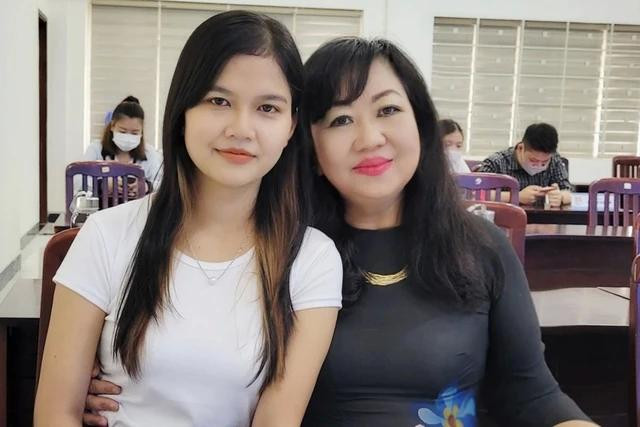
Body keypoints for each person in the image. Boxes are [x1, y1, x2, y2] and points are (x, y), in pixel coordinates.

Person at [82, 38, 596, 427]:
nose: (369, 138)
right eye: (340, 120)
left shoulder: (481, 247)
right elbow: (198, 361)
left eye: (388, 110)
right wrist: (129, 387)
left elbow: (533, 395)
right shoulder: (282, 250)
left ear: (421, 124)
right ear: (308, 145)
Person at [34, 11, 343, 427]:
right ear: (183, 111)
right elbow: (56, 414)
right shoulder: (106, 235)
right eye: (219, 101)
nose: (241, 128)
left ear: (291, 127)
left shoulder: (312, 259)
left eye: (268, 107)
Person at [477, 123, 572, 206]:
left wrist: (560, 197)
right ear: (520, 148)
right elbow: (476, 193)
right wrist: (516, 196)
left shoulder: (554, 160)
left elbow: (568, 191)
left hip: (543, 218)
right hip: (505, 218)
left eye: (544, 162)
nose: (539, 165)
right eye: (533, 160)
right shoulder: (497, 162)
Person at [84, 96, 163, 192]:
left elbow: (162, 184)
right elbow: (79, 181)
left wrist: (146, 186)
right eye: (122, 131)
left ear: (141, 132)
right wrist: (102, 184)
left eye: (134, 133)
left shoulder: (149, 153)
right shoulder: (96, 149)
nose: (128, 138)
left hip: (138, 202)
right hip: (102, 202)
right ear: (112, 126)